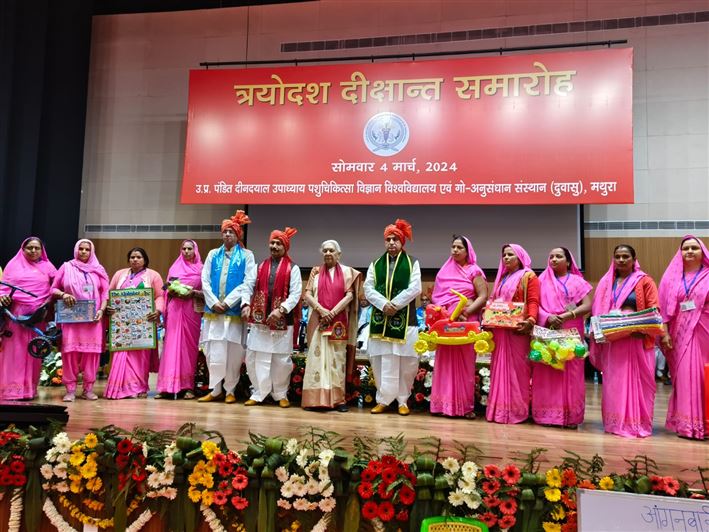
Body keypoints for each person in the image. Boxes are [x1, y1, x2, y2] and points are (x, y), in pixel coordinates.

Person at [590, 244, 659, 438]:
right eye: (617, 256)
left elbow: (654, 310)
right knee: (614, 382)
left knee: (639, 382)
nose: (621, 260)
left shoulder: (644, 281)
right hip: (613, 343)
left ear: (633, 259)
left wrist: (642, 330)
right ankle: (615, 422)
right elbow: (597, 310)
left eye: (625, 256)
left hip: (637, 340)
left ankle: (636, 423)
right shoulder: (606, 282)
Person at [363, 219, 422, 416]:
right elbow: (368, 288)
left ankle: (403, 400)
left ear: (401, 241)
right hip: (381, 320)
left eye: (395, 239)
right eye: (388, 239)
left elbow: (415, 288)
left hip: (406, 320)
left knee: (407, 363)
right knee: (381, 361)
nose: (391, 243)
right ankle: (383, 399)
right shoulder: (375, 264)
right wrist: (383, 304)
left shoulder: (412, 262)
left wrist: (395, 304)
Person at [198, 211, 256, 404]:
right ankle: (215, 390)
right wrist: (214, 301)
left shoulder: (247, 255)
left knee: (234, 352)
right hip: (214, 312)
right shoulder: (213, 254)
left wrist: (229, 302)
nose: (227, 235)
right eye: (225, 232)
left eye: (231, 232)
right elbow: (204, 280)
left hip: (233, 312)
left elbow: (248, 282)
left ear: (238, 235)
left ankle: (230, 389)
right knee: (214, 351)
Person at [532, 247, 592, 427]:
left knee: (571, 372)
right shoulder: (540, 281)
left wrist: (567, 316)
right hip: (547, 328)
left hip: (571, 329)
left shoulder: (577, 281)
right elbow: (534, 305)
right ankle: (546, 415)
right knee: (547, 370)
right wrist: (547, 317)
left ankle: (570, 417)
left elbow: (588, 305)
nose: (554, 259)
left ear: (568, 261)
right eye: (551, 256)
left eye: (559, 256)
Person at [429, 235, 488, 418]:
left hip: (466, 322)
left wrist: (467, 310)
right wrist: (446, 314)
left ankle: (464, 407)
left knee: (465, 363)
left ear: (467, 251)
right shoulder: (444, 271)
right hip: (447, 322)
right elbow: (437, 298)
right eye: (453, 247)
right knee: (444, 362)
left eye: (459, 247)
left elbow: (483, 296)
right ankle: (442, 405)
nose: (455, 250)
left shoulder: (474, 270)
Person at [243, 227, 301, 407]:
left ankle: (280, 394)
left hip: (283, 322)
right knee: (255, 356)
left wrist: (281, 310)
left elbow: (296, 293)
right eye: (272, 243)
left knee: (281, 360)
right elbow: (247, 286)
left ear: (285, 247)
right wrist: (245, 304)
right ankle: (259, 393)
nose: (274, 246)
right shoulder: (259, 266)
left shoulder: (294, 268)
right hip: (259, 321)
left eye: (278, 243)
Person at [301, 239, 361, 411]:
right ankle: (314, 400)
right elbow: (307, 294)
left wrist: (332, 313)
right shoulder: (316, 272)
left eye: (331, 251)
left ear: (338, 254)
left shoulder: (347, 272)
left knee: (337, 361)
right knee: (317, 360)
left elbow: (349, 295)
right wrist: (322, 311)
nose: (328, 253)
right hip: (318, 321)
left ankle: (338, 400)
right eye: (325, 251)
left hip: (338, 323)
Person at [659, 236, 709, 440]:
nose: (689, 251)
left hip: (705, 330)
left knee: (706, 377)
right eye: (685, 248)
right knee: (686, 376)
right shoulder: (672, 278)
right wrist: (665, 333)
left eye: (694, 248)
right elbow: (662, 310)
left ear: (702, 252)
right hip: (680, 333)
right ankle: (689, 424)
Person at [485, 244, 540, 424]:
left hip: (518, 330)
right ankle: (499, 411)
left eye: (510, 255)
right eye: (504, 255)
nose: (506, 258)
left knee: (518, 371)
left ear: (520, 257)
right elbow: (494, 302)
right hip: (500, 331)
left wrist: (531, 320)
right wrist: (487, 316)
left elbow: (533, 300)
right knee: (498, 369)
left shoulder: (528, 276)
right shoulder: (502, 278)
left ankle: (516, 411)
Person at [51, 239, 109, 402]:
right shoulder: (66, 267)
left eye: (87, 250)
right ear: (76, 250)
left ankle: (88, 389)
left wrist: (101, 310)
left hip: (93, 319)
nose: (84, 252)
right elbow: (53, 288)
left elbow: (105, 292)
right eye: (81, 249)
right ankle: (70, 389)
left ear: (92, 252)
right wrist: (64, 294)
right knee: (70, 353)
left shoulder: (98, 269)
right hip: (71, 319)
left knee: (91, 355)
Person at [0, 237, 57, 400]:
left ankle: (28, 390)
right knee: (15, 352)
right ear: (23, 249)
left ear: (42, 250)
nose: (33, 251)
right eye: (29, 248)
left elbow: (57, 287)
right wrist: (3, 297)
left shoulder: (48, 267)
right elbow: (3, 289)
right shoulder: (13, 266)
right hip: (16, 316)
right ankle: (12, 390)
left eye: (36, 248)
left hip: (39, 316)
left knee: (34, 353)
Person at [104, 247, 165, 399]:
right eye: (132, 257)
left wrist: (157, 311)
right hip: (121, 325)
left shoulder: (153, 275)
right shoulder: (119, 274)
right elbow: (109, 294)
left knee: (141, 358)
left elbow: (160, 296)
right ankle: (119, 388)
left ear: (145, 260)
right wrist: (108, 307)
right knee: (121, 355)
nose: (135, 260)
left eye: (138, 257)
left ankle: (140, 388)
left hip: (143, 325)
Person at [156, 240, 204, 400]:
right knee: (171, 346)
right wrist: (172, 291)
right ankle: (166, 388)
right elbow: (165, 288)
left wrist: (194, 294)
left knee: (188, 349)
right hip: (175, 310)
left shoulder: (202, 270)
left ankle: (187, 387)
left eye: (190, 248)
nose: (186, 251)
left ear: (195, 251)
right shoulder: (174, 267)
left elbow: (207, 292)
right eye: (184, 248)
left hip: (192, 312)